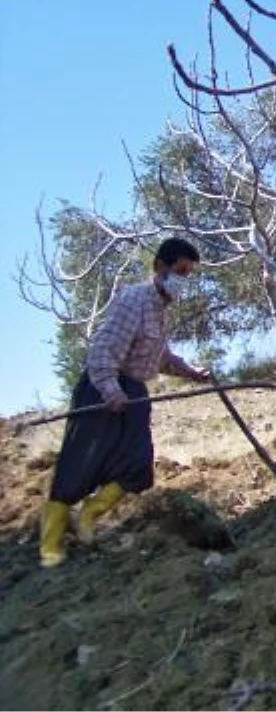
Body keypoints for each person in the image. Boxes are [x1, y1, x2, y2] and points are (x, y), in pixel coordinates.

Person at [39, 237, 211, 568]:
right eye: (180, 271)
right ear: (160, 267)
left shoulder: (161, 311)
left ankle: (89, 515)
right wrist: (108, 388)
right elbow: (104, 349)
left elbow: (158, 355)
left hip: (132, 393)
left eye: (188, 274)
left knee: (138, 464)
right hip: (101, 389)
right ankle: (50, 546)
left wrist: (190, 372)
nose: (183, 279)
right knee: (79, 463)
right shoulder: (134, 299)